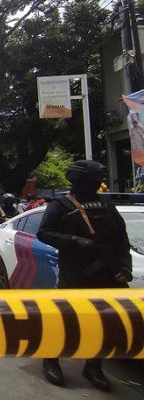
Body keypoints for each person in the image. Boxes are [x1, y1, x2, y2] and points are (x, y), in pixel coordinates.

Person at [36, 160, 132, 392]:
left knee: (103, 323)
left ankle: (93, 366)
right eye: (94, 180)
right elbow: (44, 233)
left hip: (108, 275)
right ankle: (51, 359)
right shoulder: (60, 205)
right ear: (81, 181)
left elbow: (122, 239)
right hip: (76, 274)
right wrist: (73, 241)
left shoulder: (106, 205)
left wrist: (124, 266)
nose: (98, 184)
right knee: (66, 320)